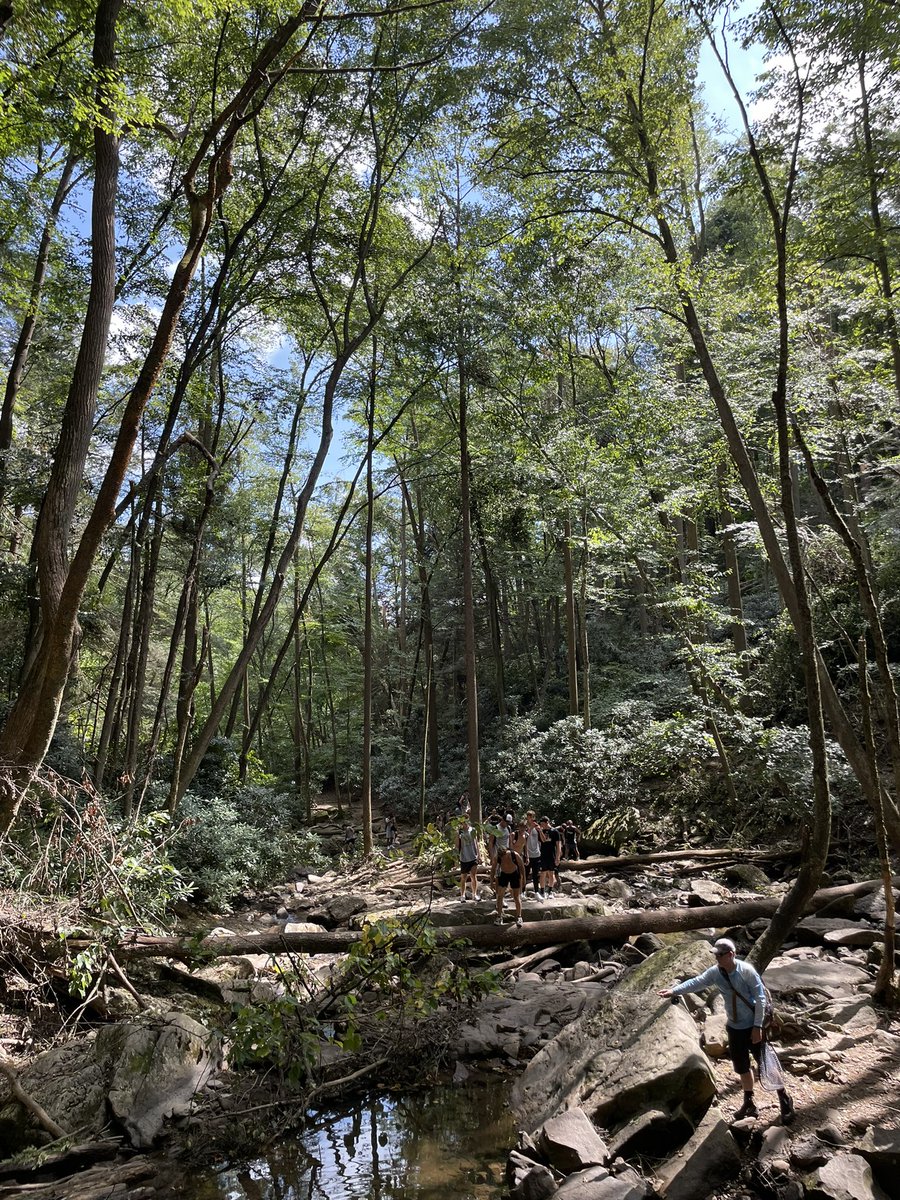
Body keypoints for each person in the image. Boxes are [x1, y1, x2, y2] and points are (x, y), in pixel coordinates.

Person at [658, 938, 795, 1125]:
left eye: (720, 955)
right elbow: (698, 982)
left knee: (766, 1063)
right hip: (734, 1027)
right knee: (742, 1067)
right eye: (715, 955)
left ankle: (784, 1099)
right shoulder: (716, 972)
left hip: (753, 1026)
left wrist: (757, 1027)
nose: (717, 958)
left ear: (731, 954)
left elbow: (760, 1000)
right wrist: (674, 991)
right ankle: (749, 1102)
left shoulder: (747, 972)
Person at [494, 843, 526, 926]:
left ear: (506, 852)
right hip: (504, 874)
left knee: (516, 896)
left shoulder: (514, 855)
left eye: (504, 855)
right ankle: (499, 917)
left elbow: (522, 866)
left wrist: (523, 879)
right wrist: (492, 882)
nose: (503, 857)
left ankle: (519, 917)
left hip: (514, 874)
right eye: (501, 856)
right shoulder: (498, 857)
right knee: (500, 896)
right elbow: (493, 869)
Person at [456, 816, 480, 902]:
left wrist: (479, 855)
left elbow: (476, 843)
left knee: (473, 876)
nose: (464, 823)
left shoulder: (472, 830)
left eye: (466, 821)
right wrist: (456, 858)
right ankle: (462, 895)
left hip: (473, 856)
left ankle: (475, 894)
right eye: (463, 821)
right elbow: (457, 846)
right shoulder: (459, 832)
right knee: (463, 877)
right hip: (464, 857)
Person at [538, 815, 561, 898]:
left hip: (552, 854)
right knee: (542, 873)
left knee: (551, 873)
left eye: (543, 824)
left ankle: (550, 891)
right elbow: (541, 841)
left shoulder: (555, 831)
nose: (542, 825)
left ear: (547, 822)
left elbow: (558, 845)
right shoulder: (541, 831)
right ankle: (542, 891)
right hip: (543, 854)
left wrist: (558, 857)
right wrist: (540, 831)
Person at [524, 810, 545, 899]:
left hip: (536, 854)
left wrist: (540, 831)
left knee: (536, 875)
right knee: (525, 874)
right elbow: (524, 838)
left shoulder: (537, 827)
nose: (532, 818)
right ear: (527, 817)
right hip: (527, 854)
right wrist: (530, 828)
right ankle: (522, 892)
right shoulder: (524, 826)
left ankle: (537, 892)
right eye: (530, 816)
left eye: (533, 817)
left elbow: (544, 840)